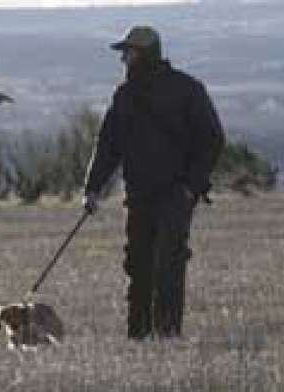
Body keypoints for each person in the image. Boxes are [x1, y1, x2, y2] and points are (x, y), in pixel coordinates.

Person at [83, 26, 225, 340]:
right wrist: (92, 188)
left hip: (176, 193)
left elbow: (212, 140)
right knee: (138, 264)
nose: (123, 59)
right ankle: (138, 336)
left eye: (128, 52)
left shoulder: (188, 90)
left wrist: (191, 186)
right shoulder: (124, 95)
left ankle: (168, 335)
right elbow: (108, 145)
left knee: (169, 264)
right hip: (139, 195)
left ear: (145, 54)